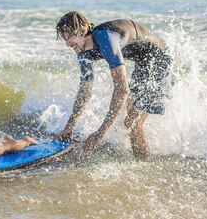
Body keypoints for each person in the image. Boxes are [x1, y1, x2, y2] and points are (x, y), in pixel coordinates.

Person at [55, 11, 173, 157]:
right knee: (128, 119)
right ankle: (141, 157)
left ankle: (144, 166)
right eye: (64, 39)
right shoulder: (82, 52)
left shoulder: (105, 39)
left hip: (159, 60)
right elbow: (85, 91)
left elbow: (122, 89)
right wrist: (69, 128)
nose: (67, 44)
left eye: (70, 37)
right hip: (143, 63)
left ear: (83, 30)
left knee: (132, 123)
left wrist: (100, 133)